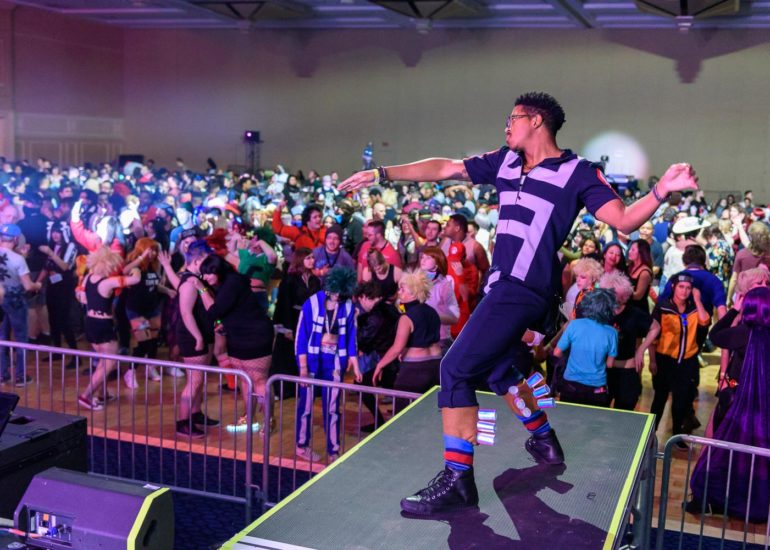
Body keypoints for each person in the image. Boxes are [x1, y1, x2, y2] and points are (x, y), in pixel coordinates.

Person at [339, 90, 698, 515]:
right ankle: (543, 438)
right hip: (501, 288)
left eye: (512, 118)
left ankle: (458, 480)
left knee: (454, 369)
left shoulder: (578, 172)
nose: (506, 126)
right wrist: (382, 173)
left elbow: (623, 219)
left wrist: (661, 190)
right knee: (497, 369)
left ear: (536, 121)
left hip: (524, 289)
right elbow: (446, 168)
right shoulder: (505, 161)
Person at [688, 286, 770, 522]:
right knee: (755, 461)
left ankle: (714, 500)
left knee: (723, 454)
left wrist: (734, 310)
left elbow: (715, 335)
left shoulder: (744, 334)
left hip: (738, 407)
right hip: (763, 412)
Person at [196, 254, 275, 433]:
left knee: (259, 380)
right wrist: (225, 324)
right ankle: (248, 418)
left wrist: (201, 289)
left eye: (208, 273)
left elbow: (214, 311)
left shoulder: (232, 282)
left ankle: (269, 420)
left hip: (255, 335)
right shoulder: (226, 283)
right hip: (237, 335)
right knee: (245, 380)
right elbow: (233, 310)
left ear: (218, 270)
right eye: (202, 275)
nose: (205, 278)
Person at [295, 267, 362, 462]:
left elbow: (351, 337)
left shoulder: (348, 306)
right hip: (311, 359)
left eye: (342, 293)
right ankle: (301, 445)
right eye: (335, 292)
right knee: (306, 405)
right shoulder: (312, 303)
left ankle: (333, 450)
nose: (338, 296)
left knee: (332, 407)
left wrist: (355, 363)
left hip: (334, 361)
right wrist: (303, 368)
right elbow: (301, 337)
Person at [650, 272, 710, 446]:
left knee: (681, 401)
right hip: (664, 360)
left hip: (687, 361)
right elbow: (652, 337)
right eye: (681, 287)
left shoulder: (693, 308)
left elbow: (705, 322)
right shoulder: (663, 307)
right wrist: (652, 361)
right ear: (674, 287)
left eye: (688, 288)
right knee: (659, 399)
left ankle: (677, 435)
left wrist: (697, 300)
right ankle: (650, 435)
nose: (684, 291)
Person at [77, 247, 141, 411]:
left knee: (102, 361)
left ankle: (103, 393)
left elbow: (83, 299)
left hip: (90, 322)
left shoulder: (88, 278)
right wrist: (136, 267)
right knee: (109, 363)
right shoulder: (107, 282)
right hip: (103, 325)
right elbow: (135, 280)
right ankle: (86, 395)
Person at [373, 270, 442, 412]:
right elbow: (423, 335)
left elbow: (397, 348)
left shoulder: (407, 317)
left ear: (413, 293)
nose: (399, 292)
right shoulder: (433, 312)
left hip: (415, 370)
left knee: (403, 411)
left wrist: (380, 365)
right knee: (429, 411)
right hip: (436, 365)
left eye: (402, 289)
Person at [599, 271, 660, 411]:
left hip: (626, 372)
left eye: (615, 294)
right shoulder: (601, 312)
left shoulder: (634, 313)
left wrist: (641, 349)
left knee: (624, 413)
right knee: (600, 413)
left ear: (623, 295)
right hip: (603, 372)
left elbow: (655, 327)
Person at [552, 289, 617, 407]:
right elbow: (610, 364)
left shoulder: (574, 325)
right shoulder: (612, 332)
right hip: (597, 388)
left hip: (571, 385)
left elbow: (557, 352)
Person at [354, 280, 400, 432]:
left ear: (364, 297)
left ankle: (380, 422)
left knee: (361, 384)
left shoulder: (376, 315)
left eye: (362, 300)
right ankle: (381, 421)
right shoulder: (388, 309)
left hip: (385, 359)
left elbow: (363, 339)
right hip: (390, 358)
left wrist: (356, 324)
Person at [0, 224, 42, 385]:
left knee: (2, 337)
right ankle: (20, 376)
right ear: (16, 239)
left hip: (0, 297)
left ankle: (2, 374)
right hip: (15, 300)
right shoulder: (18, 259)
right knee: (21, 338)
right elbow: (28, 286)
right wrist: (38, 285)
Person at [37, 221, 78, 368]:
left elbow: (65, 266)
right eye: (53, 231)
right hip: (52, 286)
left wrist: (50, 253)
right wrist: (37, 283)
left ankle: (75, 356)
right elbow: (46, 267)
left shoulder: (71, 246)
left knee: (64, 321)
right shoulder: (52, 246)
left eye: (58, 232)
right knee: (53, 320)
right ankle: (57, 351)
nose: (55, 235)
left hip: (65, 287)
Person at [420, 247, 460, 354]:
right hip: (420, 338)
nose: (423, 260)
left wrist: (432, 316)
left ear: (437, 263)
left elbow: (454, 317)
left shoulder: (444, 285)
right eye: (422, 257)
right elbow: (403, 306)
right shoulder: (415, 282)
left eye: (428, 257)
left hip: (440, 340)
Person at [626, 239, 654, 314]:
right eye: (630, 249)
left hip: (638, 310)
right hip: (627, 307)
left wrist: (621, 293)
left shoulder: (644, 272)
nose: (629, 252)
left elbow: (638, 296)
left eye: (633, 250)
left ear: (641, 252)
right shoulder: (629, 266)